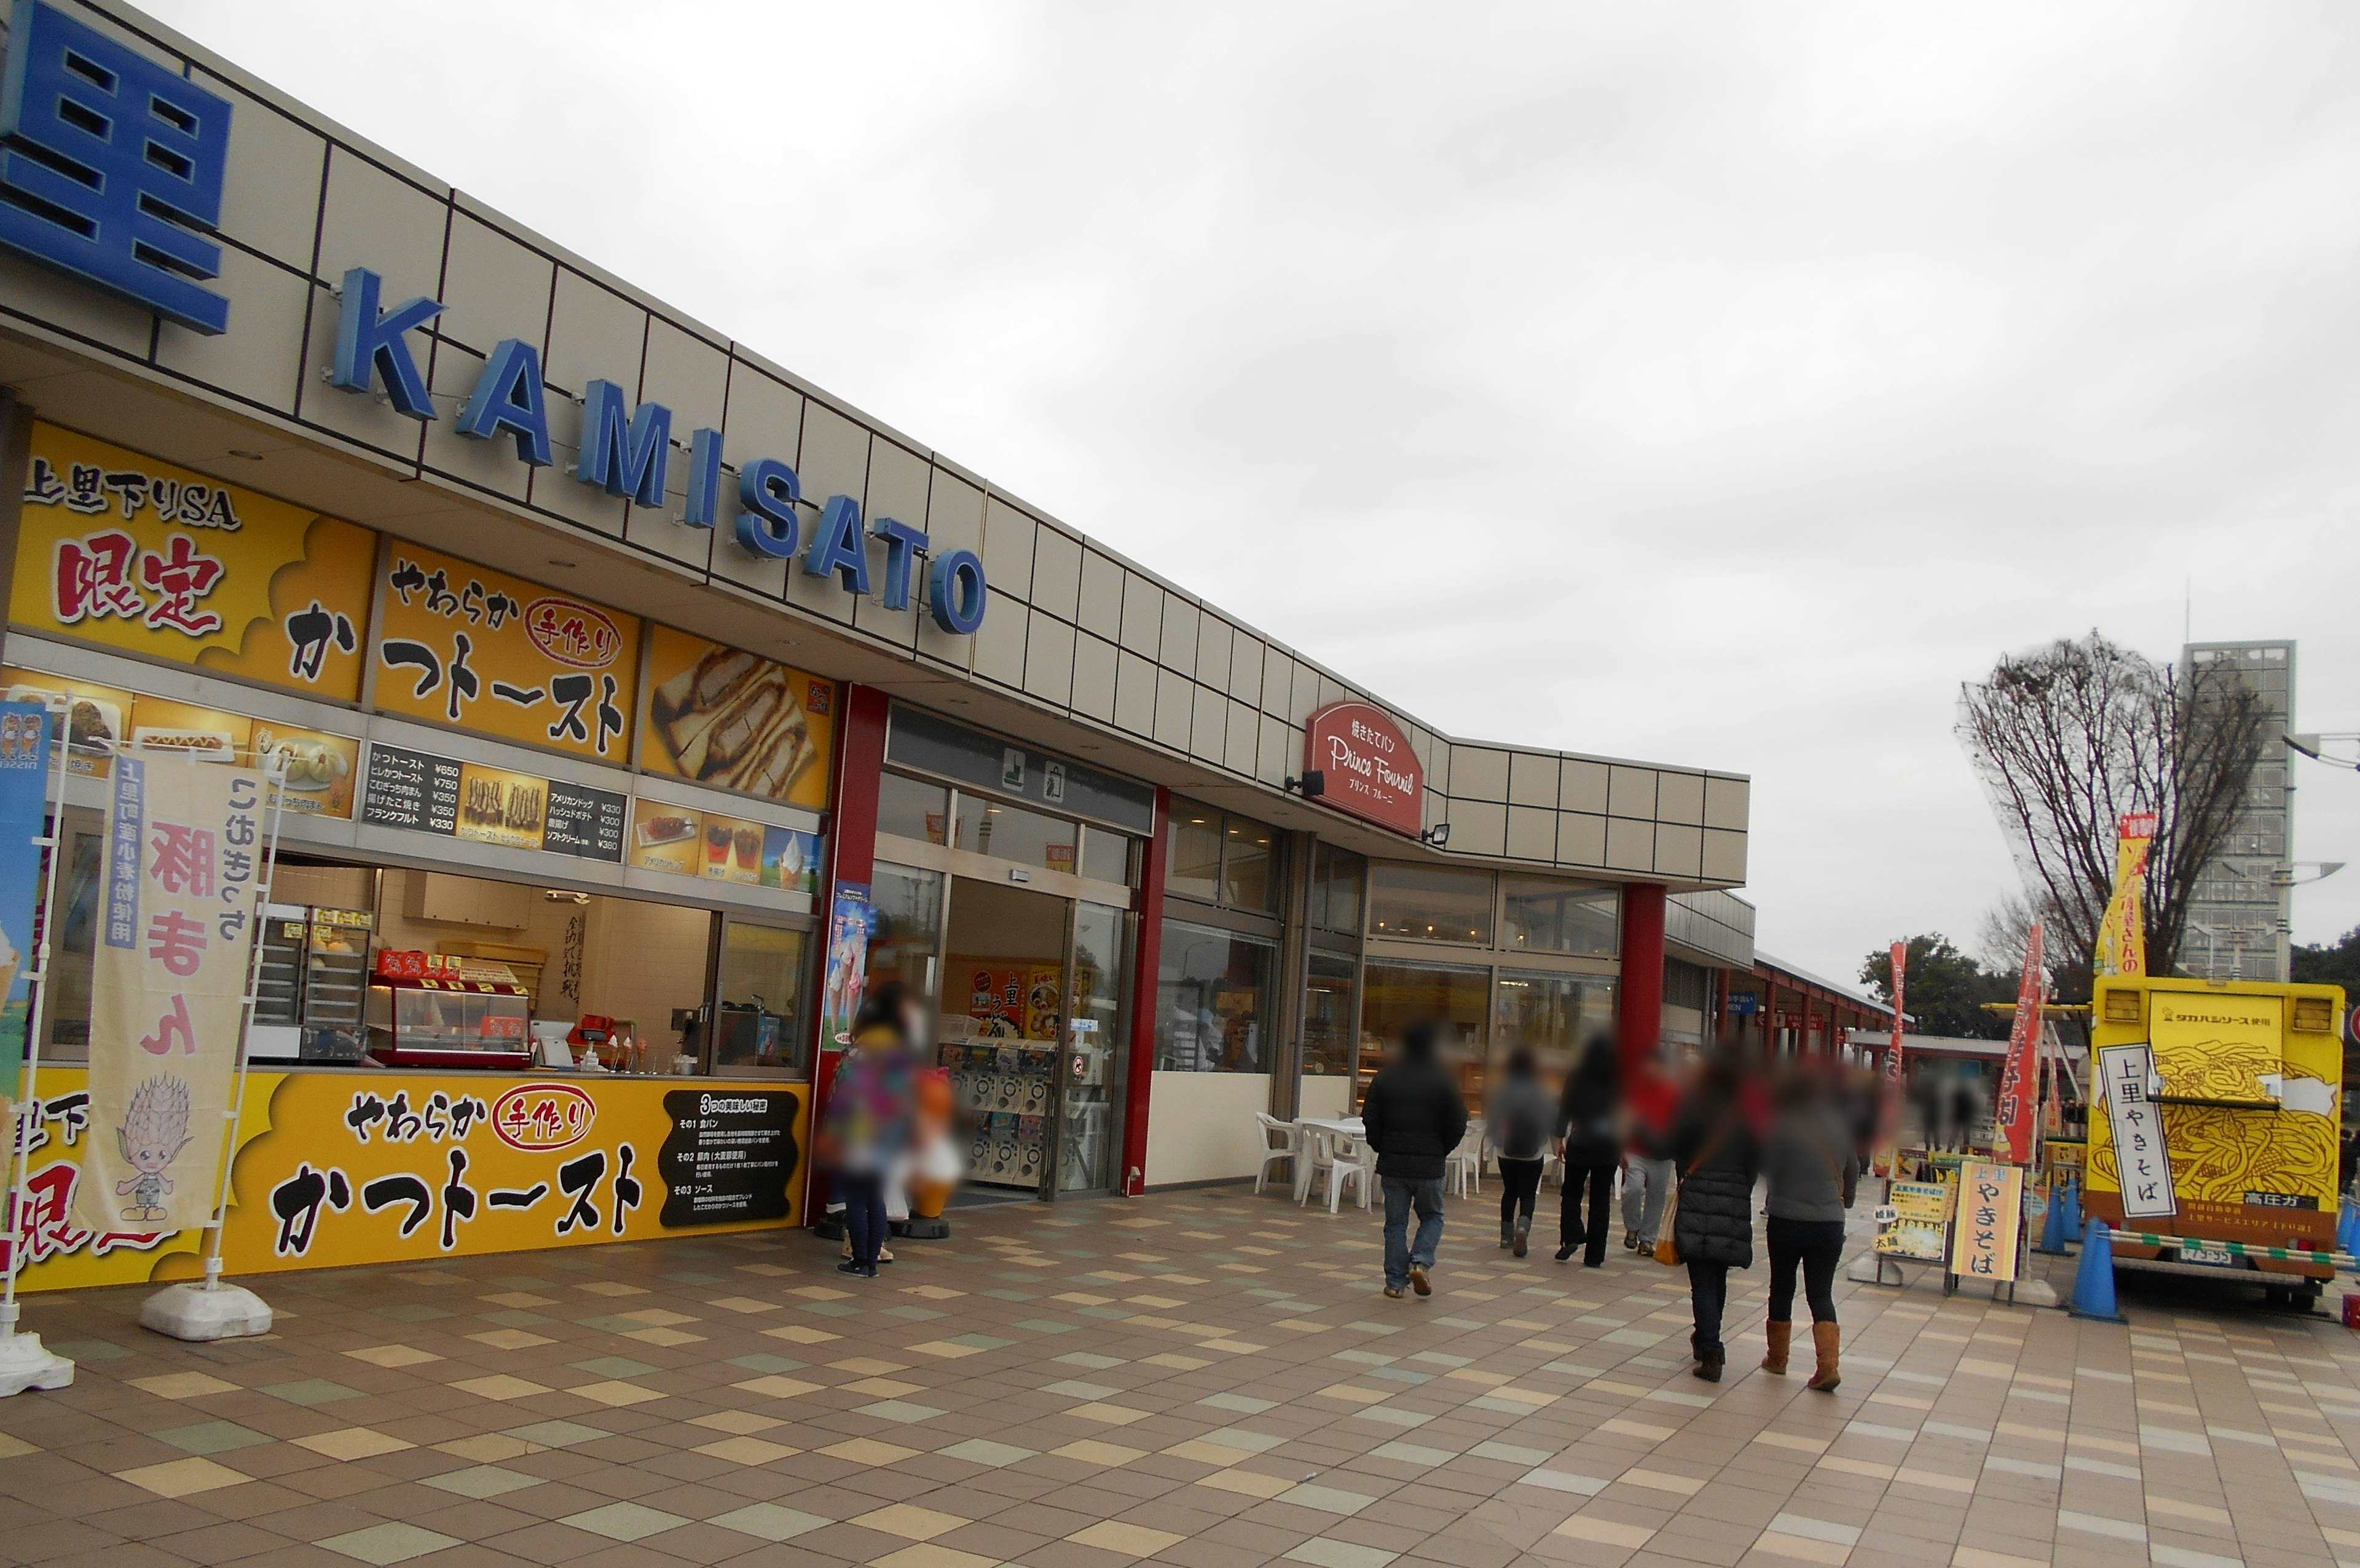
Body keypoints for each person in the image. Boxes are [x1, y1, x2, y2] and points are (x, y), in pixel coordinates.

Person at [1646, 1051, 1761, 1381]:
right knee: (1718, 1275)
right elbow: (1757, 1165)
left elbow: (1664, 1147)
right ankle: (1708, 1339)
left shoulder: (1692, 1108)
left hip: (1697, 1199)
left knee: (1702, 1281)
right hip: (1734, 1201)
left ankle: (1710, 1349)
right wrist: (1741, 1188)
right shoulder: (1746, 1115)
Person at [1760, 1065, 1859, 1391]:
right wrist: (1844, 1202)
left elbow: (1768, 1166)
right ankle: (1827, 1366)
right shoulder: (1841, 1124)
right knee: (1820, 1292)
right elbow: (1853, 1169)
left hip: (1787, 1218)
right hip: (1829, 1222)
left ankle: (1778, 1359)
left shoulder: (1783, 1123)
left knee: (1782, 1286)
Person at [1361, 1020, 1469, 1299]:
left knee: (1395, 1223)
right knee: (1432, 1216)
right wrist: (1441, 1149)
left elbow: (1370, 1118)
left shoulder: (1386, 1077)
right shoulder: (1443, 1079)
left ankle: (1396, 1283)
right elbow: (1458, 1121)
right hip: (1429, 1165)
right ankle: (1420, 1261)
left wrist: (1381, 1146)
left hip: (1393, 1164)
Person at [815, 989, 918, 1278]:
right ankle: (872, 1262)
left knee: (856, 1200)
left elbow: (841, 1100)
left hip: (858, 1137)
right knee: (876, 1199)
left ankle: (859, 1260)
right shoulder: (900, 1055)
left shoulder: (857, 1053)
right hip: (888, 1138)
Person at [1554, 1037, 1621, 1265]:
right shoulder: (1616, 1078)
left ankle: (1571, 1235)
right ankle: (1595, 1256)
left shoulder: (1577, 1076)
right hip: (1609, 1147)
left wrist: (1558, 1138)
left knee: (1571, 1193)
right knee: (1601, 1201)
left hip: (1581, 1144)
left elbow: (1565, 1108)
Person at [1486, 1046, 1552, 1256]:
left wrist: (1493, 1141)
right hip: (1533, 1150)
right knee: (1528, 1193)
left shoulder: (1503, 1089)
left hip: (1506, 1149)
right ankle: (1523, 1226)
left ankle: (1507, 1236)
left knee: (1510, 1191)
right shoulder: (1539, 1090)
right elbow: (1547, 1119)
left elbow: (1494, 1119)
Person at [1620, 1051, 1678, 1253]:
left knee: (1657, 1196)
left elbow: (1679, 1122)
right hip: (1636, 1148)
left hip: (1662, 1153)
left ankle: (1647, 1239)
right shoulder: (1635, 1089)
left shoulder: (1673, 1092)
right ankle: (1633, 1227)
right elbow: (1625, 1118)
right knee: (1633, 1189)